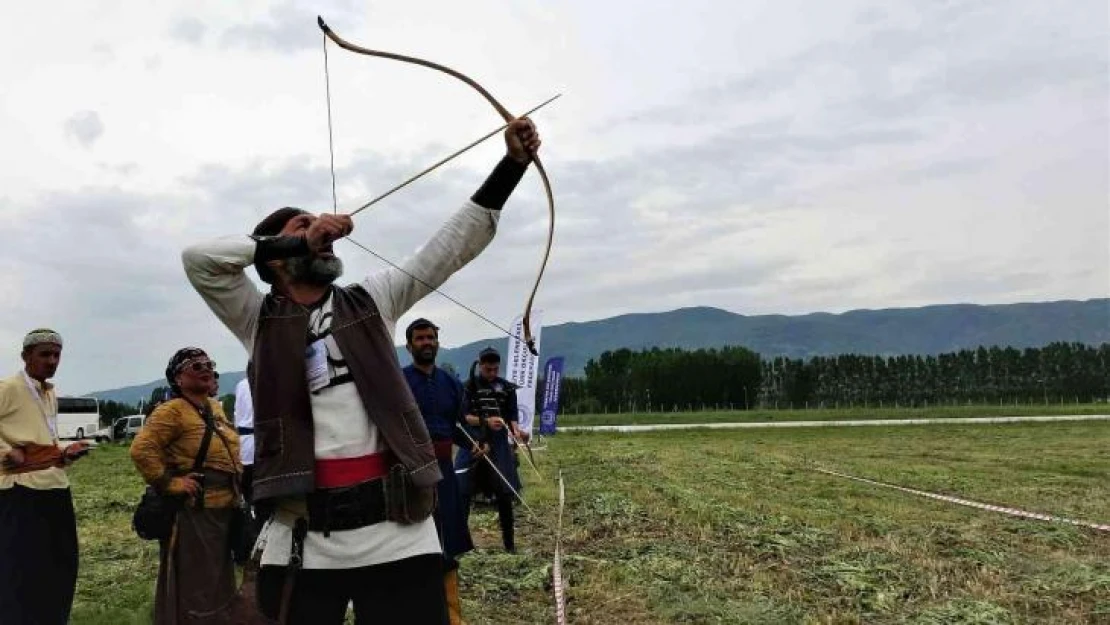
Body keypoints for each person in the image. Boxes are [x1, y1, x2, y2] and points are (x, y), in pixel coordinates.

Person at [181, 118, 542, 624]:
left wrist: (512, 165)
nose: (317, 234)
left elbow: (448, 248)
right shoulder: (256, 318)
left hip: (399, 530)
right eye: (299, 228)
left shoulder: (373, 298)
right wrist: (293, 243)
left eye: (316, 228)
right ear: (274, 261)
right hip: (303, 537)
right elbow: (198, 260)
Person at [130, 347, 243, 625]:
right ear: (178, 379)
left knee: (219, 581)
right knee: (197, 584)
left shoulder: (214, 407)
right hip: (194, 512)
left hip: (223, 509)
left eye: (209, 364)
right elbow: (141, 449)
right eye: (195, 366)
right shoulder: (173, 411)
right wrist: (169, 483)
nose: (205, 369)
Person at [0, 329, 89, 625]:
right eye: (44, 355)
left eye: (56, 355)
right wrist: (5, 450)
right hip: (20, 491)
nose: (52, 361)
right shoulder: (9, 387)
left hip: (55, 488)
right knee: (22, 571)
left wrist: (65, 452)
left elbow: (43, 438)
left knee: (60, 566)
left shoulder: (49, 392)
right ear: (26, 357)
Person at [402, 318, 480, 625]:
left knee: (447, 533)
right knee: (415, 536)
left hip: (445, 470)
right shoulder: (400, 382)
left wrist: (474, 443)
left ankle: (449, 615)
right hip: (411, 472)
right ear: (409, 346)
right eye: (420, 338)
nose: (427, 343)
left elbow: (459, 425)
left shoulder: (451, 383)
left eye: (431, 337)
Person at [454, 346, 527, 553]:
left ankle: (509, 545)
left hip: (499, 444)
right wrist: (485, 421)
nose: (492, 374)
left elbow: (511, 416)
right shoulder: (468, 387)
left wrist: (516, 431)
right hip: (473, 440)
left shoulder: (507, 388)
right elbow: (463, 417)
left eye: (495, 369)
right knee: (463, 491)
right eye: (488, 370)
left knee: (505, 493)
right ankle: (461, 545)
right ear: (480, 365)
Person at [232, 368, 263, 564]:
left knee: (247, 500)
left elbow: (237, 415)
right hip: (260, 445)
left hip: (243, 447)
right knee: (261, 501)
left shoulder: (241, 385)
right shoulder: (266, 381)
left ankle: (246, 544)